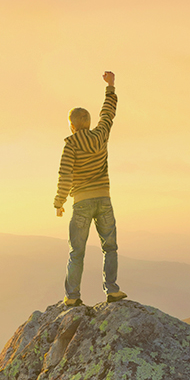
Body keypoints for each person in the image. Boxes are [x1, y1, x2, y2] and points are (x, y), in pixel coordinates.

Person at [54, 71, 124, 306]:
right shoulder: (101, 135)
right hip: (104, 200)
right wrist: (110, 86)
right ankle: (112, 290)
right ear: (89, 123)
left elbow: (65, 175)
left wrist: (59, 201)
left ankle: (72, 297)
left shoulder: (71, 145)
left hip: (81, 202)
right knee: (110, 247)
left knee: (77, 252)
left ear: (72, 126)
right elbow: (108, 113)